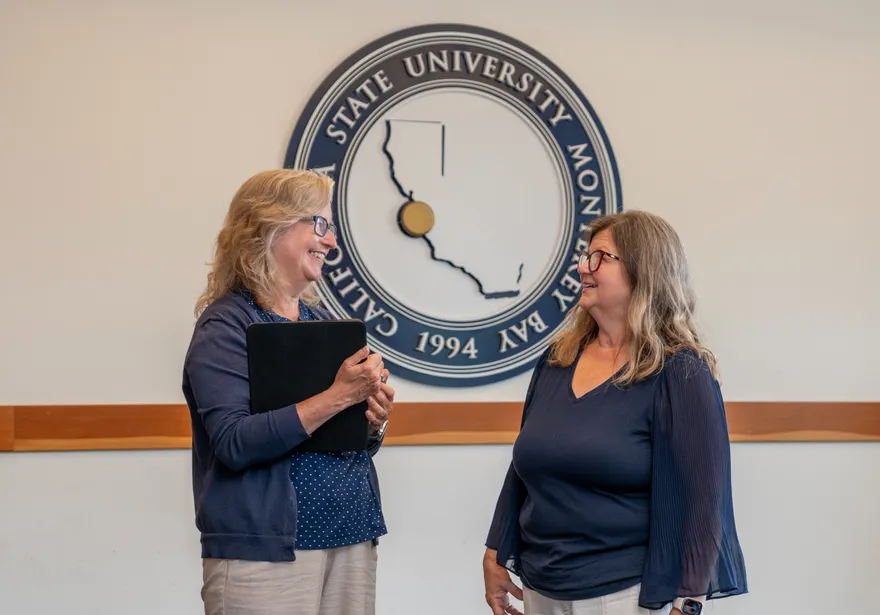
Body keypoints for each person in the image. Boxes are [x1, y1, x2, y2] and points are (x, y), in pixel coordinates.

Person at [482, 210, 747, 615]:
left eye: (600, 257)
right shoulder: (557, 361)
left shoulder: (680, 371)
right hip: (541, 587)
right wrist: (495, 551)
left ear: (644, 271)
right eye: (586, 256)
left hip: (625, 595)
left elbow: (704, 501)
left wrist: (688, 603)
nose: (583, 267)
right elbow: (523, 468)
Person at [182, 169, 394, 615]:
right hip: (264, 553)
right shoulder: (225, 326)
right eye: (319, 224)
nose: (331, 241)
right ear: (269, 227)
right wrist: (338, 396)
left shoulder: (322, 326)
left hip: (351, 537)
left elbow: (339, 438)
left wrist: (371, 421)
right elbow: (234, 442)